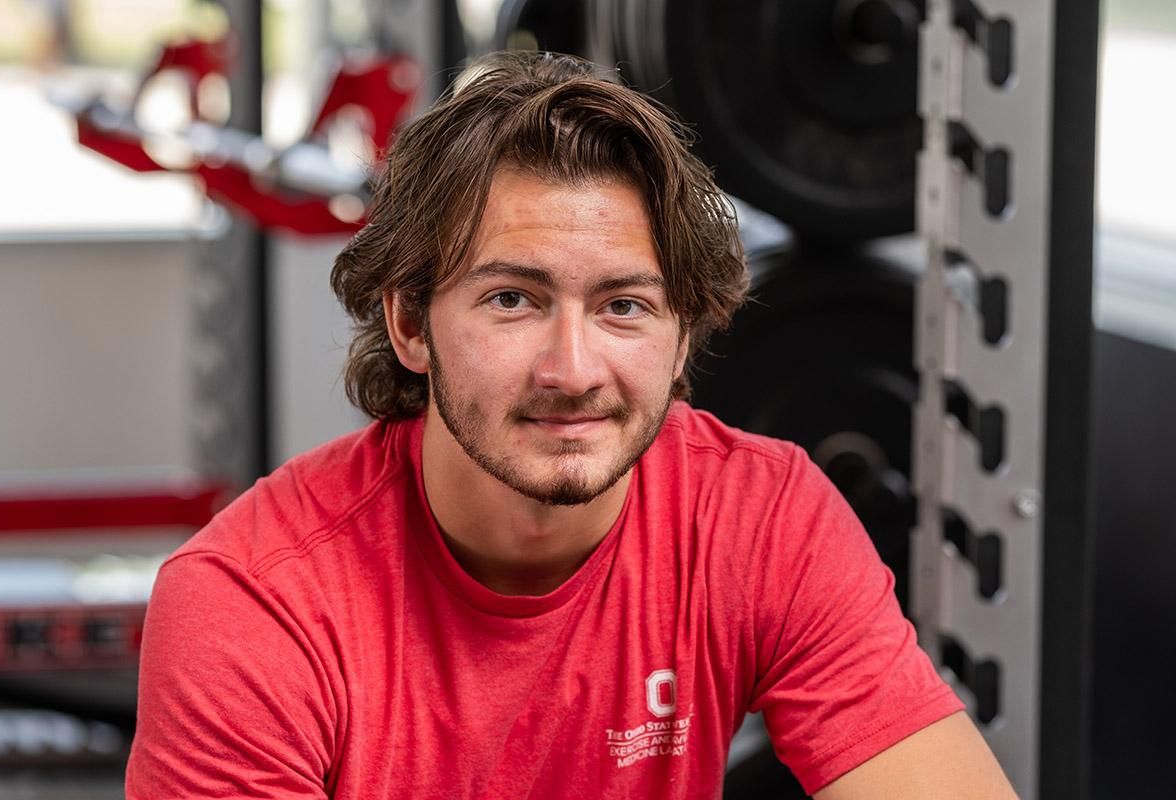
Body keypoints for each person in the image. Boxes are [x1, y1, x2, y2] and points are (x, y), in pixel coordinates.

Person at [125, 51, 1017, 799]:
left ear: (682, 340)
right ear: (408, 324)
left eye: (624, 306)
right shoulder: (252, 606)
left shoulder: (762, 519)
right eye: (512, 299)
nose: (573, 371)